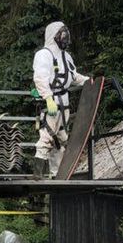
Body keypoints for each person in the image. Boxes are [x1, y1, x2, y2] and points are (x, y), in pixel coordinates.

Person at [32, 21, 88, 177]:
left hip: (65, 104)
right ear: (54, 35)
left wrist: (89, 81)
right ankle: (37, 176)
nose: (65, 38)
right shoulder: (44, 54)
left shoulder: (66, 57)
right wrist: (48, 98)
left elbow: (73, 76)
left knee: (61, 141)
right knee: (47, 137)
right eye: (62, 34)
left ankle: (55, 174)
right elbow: (40, 78)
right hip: (52, 103)